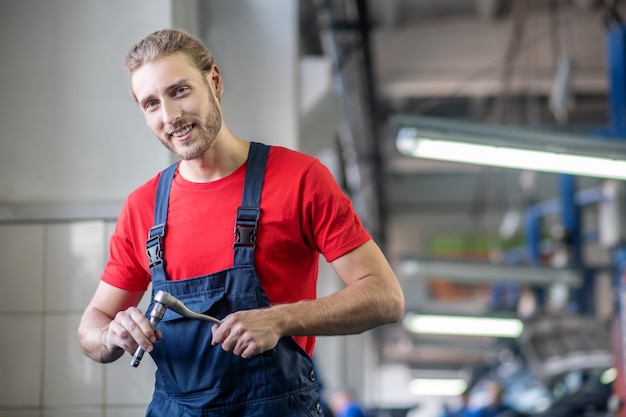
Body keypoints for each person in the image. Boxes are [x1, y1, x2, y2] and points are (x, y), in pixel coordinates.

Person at [76, 28, 405, 417]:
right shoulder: (143, 207)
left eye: (180, 91)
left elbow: (385, 297)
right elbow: (90, 329)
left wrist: (281, 318)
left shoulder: (299, 179)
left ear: (213, 80)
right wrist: (110, 334)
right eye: (151, 104)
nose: (170, 116)